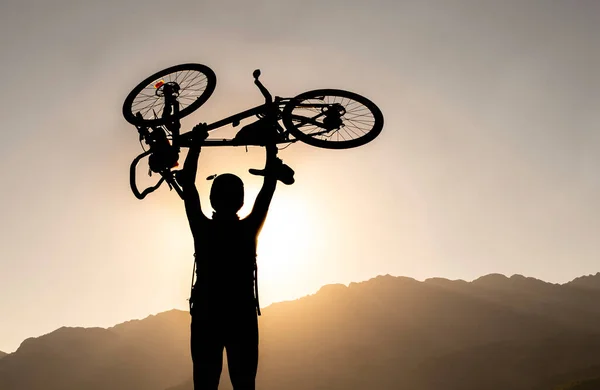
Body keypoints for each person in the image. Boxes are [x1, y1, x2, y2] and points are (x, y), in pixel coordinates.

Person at [176, 123, 289, 390]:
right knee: (244, 382)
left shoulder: (203, 229)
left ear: (213, 198)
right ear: (240, 201)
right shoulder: (249, 229)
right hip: (241, 313)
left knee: (204, 383)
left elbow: (189, 186)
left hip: (206, 312)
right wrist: (270, 146)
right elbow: (268, 188)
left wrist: (196, 143)